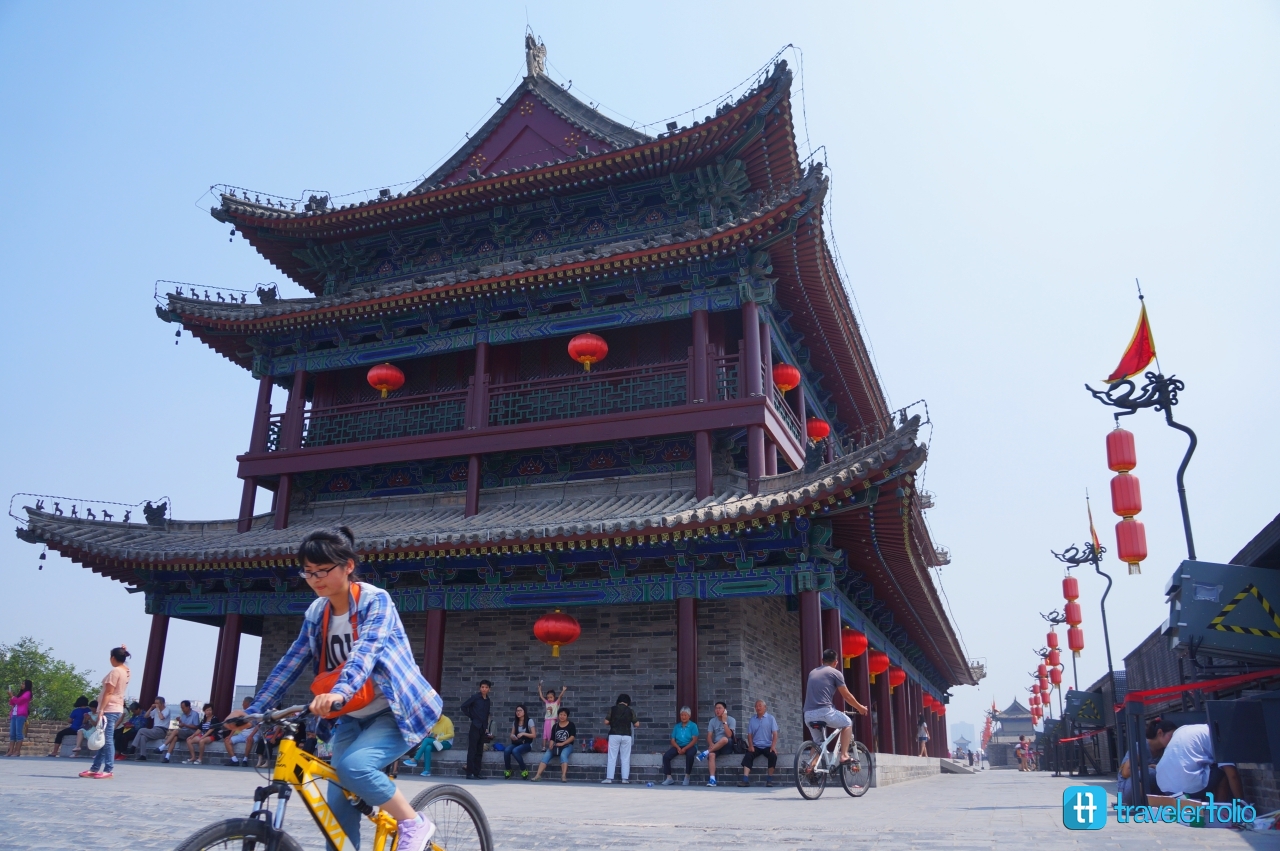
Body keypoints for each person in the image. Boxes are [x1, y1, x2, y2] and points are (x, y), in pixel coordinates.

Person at [229, 527, 443, 851]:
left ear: (348, 566)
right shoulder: (317, 612)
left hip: (395, 711)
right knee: (338, 808)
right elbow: (291, 661)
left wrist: (339, 691)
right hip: (350, 717)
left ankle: (414, 822)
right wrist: (255, 710)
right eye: (308, 572)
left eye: (323, 571)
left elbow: (365, 651)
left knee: (354, 767)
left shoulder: (375, 600)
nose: (315, 579)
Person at [802, 649, 869, 772]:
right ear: (836, 662)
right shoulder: (835, 673)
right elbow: (847, 696)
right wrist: (860, 708)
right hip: (824, 712)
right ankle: (844, 755)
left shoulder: (812, 672)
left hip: (808, 714)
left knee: (819, 743)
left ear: (822, 661)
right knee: (847, 723)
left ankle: (810, 768)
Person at [1148, 720, 1244, 802]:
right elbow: (1233, 776)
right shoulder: (1218, 736)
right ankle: (1219, 811)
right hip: (1188, 791)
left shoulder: (1183, 730)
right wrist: (1243, 803)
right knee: (1223, 769)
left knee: (1207, 768)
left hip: (1166, 789)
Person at [80, 646, 130, 779]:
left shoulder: (115, 671)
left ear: (113, 658)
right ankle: (95, 768)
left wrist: (101, 709)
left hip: (110, 708)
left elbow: (109, 691)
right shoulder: (125, 671)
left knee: (107, 740)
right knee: (102, 739)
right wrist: (123, 650)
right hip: (116, 707)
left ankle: (109, 769)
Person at [601, 693, 639, 784]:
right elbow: (637, 724)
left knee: (612, 757)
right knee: (625, 757)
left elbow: (606, 721)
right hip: (626, 736)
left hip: (614, 734)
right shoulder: (630, 710)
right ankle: (625, 779)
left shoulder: (613, 709)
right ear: (628, 702)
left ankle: (609, 778)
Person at [740, 700, 779, 786]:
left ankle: (769, 780)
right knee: (748, 755)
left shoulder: (771, 718)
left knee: (773, 756)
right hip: (756, 746)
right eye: (756, 706)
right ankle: (745, 779)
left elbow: (775, 734)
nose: (758, 708)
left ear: (765, 707)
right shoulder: (752, 719)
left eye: (760, 706)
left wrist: (773, 746)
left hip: (767, 745)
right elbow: (749, 734)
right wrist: (750, 745)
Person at [531, 708, 575, 782]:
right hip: (556, 746)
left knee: (563, 755)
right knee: (546, 756)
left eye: (564, 715)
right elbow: (552, 738)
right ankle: (538, 775)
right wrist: (551, 745)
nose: (562, 716)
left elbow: (572, 737)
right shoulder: (555, 726)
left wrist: (563, 743)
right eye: (561, 714)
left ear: (567, 716)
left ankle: (563, 776)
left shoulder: (571, 725)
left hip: (567, 745)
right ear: (558, 715)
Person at [697, 701, 736, 787]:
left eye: (720, 708)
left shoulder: (731, 720)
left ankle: (705, 752)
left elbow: (729, 735)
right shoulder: (712, 721)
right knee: (711, 755)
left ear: (725, 710)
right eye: (716, 708)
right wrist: (711, 743)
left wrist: (724, 721)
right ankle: (712, 779)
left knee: (725, 739)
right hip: (716, 745)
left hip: (727, 745)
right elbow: (709, 736)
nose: (717, 710)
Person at [460, 680, 492, 779]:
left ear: (489, 689)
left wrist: (486, 727)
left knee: (479, 751)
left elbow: (487, 714)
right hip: (475, 726)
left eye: (486, 687)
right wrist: (472, 717)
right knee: (472, 750)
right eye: (482, 687)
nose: (484, 689)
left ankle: (477, 773)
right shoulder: (475, 698)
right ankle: (469, 773)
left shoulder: (488, 700)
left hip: (483, 728)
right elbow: (464, 706)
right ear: (480, 688)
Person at [660, 707, 699, 786]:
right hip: (678, 745)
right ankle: (669, 778)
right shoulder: (677, 726)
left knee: (690, 755)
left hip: (690, 746)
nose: (683, 717)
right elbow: (673, 740)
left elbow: (694, 740)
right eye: (681, 715)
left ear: (689, 716)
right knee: (666, 756)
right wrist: (678, 748)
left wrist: (685, 748)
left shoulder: (693, 726)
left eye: (685, 715)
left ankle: (687, 776)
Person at [130, 696, 175, 761]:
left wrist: (158, 709)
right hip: (154, 729)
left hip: (161, 730)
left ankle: (133, 747)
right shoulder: (155, 710)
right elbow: (146, 716)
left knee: (141, 730)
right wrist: (151, 708)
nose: (156, 705)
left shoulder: (167, 710)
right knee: (143, 737)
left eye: (157, 703)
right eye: (155, 703)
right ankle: (143, 755)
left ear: (162, 703)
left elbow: (161, 718)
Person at [223, 696, 258, 765]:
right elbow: (236, 726)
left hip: (254, 735)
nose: (242, 705)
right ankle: (234, 760)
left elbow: (258, 726)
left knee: (249, 739)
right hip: (242, 735)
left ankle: (245, 760)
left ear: (247, 703)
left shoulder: (255, 713)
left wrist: (251, 736)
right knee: (227, 740)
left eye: (243, 703)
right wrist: (230, 736)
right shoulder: (241, 713)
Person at [504, 705, 536, 779]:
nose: (518, 712)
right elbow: (511, 734)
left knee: (515, 751)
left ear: (524, 712)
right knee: (507, 750)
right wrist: (512, 736)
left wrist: (523, 733)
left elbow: (534, 735)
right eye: (517, 711)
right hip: (517, 742)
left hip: (527, 743)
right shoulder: (515, 722)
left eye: (520, 711)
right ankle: (508, 769)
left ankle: (523, 769)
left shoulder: (529, 721)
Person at [537, 682, 568, 751]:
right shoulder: (547, 703)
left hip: (552, 720)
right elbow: (541, 696)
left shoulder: (556, 703)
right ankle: (544, 747)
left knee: (551, 733)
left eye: (551, 697)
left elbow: (560, 697)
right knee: (545, 734)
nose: (549, 699)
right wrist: (539, 689)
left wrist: (563, 690)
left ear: (554, 697)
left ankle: (552, 746)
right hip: (546, 720)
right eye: (548, 697)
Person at [6, 679, 33, 757]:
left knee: (18, 733)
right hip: (14, 714)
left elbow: (19, 701)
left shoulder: (28, 693)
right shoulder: (20, 693)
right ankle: (10, 751)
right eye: (22, 684)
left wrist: (12, 696)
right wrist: (12, 697)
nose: (22, 685)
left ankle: (17, 751)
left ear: (27, 685)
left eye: (23, 684)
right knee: (12, 733)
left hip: (21, 714)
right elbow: (12, 702)